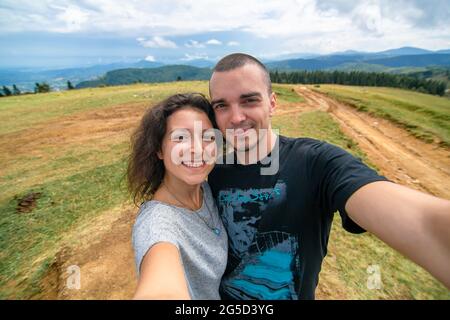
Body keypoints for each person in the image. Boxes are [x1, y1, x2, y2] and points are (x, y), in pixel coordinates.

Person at [207, 53, 450, 300]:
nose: (236, 118)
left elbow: (420, 220)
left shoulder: (316, 162)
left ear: (272, 103)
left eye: (249, 101)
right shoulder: (210, 175)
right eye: (222, 105)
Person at [127, 93, 228, 299]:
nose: (198, 149)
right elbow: (160, 289)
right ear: (159, 150)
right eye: (181, 137)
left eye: (207, 137)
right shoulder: (157, 225)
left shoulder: (205, 190)